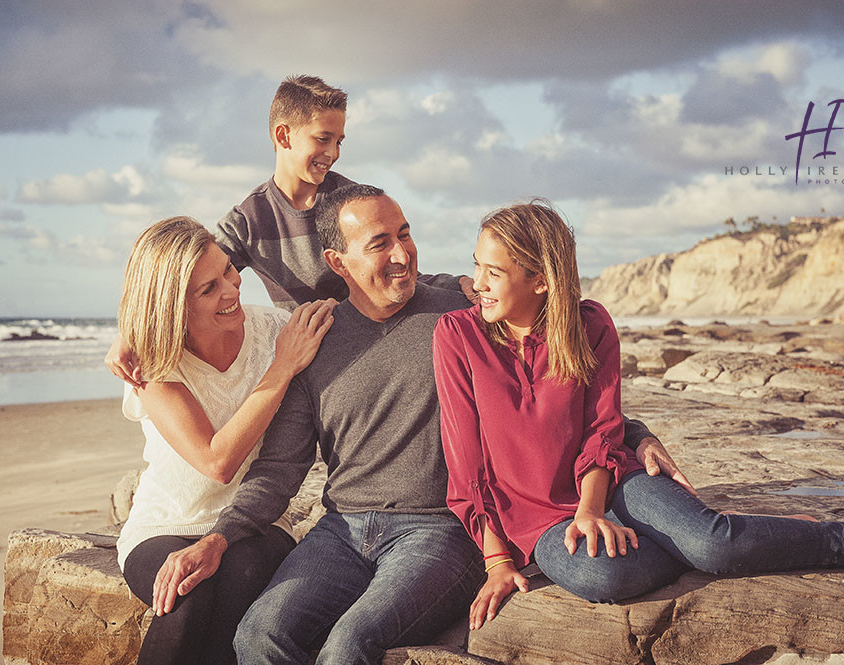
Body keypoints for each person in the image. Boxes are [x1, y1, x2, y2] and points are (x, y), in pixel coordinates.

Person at [149, 185, 684, 665]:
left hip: (441, 531)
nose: (402, 254)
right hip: (341, 530)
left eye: (405, 234)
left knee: (348, 645)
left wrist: (636, 435)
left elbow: (562, 386)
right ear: (338, 261)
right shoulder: (314, 338)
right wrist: (219, 539)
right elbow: (280, 468)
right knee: (259, 636)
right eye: (380, 243)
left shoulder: (466, 317)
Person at [432, 199, 844, 632]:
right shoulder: (457, 335)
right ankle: (753, 539)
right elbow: (467, 464)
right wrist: (497, 559)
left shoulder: (590, 325)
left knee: (713, 545)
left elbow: (601, 431)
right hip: (534, 518)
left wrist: (590, 509)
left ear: (540, 280)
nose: (476, 283)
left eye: (492, 273)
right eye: (477, 266)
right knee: (603, 577)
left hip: (611, 482)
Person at [106, 74, 469, 388]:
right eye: (323, 138)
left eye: (340, 141)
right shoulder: (250, 219)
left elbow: (399, 270)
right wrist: (130, 332)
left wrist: (459, 285)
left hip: (381, 340)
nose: (334, 152)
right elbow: (184, 276)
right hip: (313, 361)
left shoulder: (350, 204)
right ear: (283, 136)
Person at [115, 216, 334, 665]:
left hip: (255, 523)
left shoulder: (277, 331)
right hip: (166, 525)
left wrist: (459, 285)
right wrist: (282, 368)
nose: (233, 290)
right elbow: (217, 461)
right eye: (208, 289)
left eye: (229, 271)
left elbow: (359, 300)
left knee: (241, 578)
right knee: (184, 595)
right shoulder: (152, 365)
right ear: (172, 305)